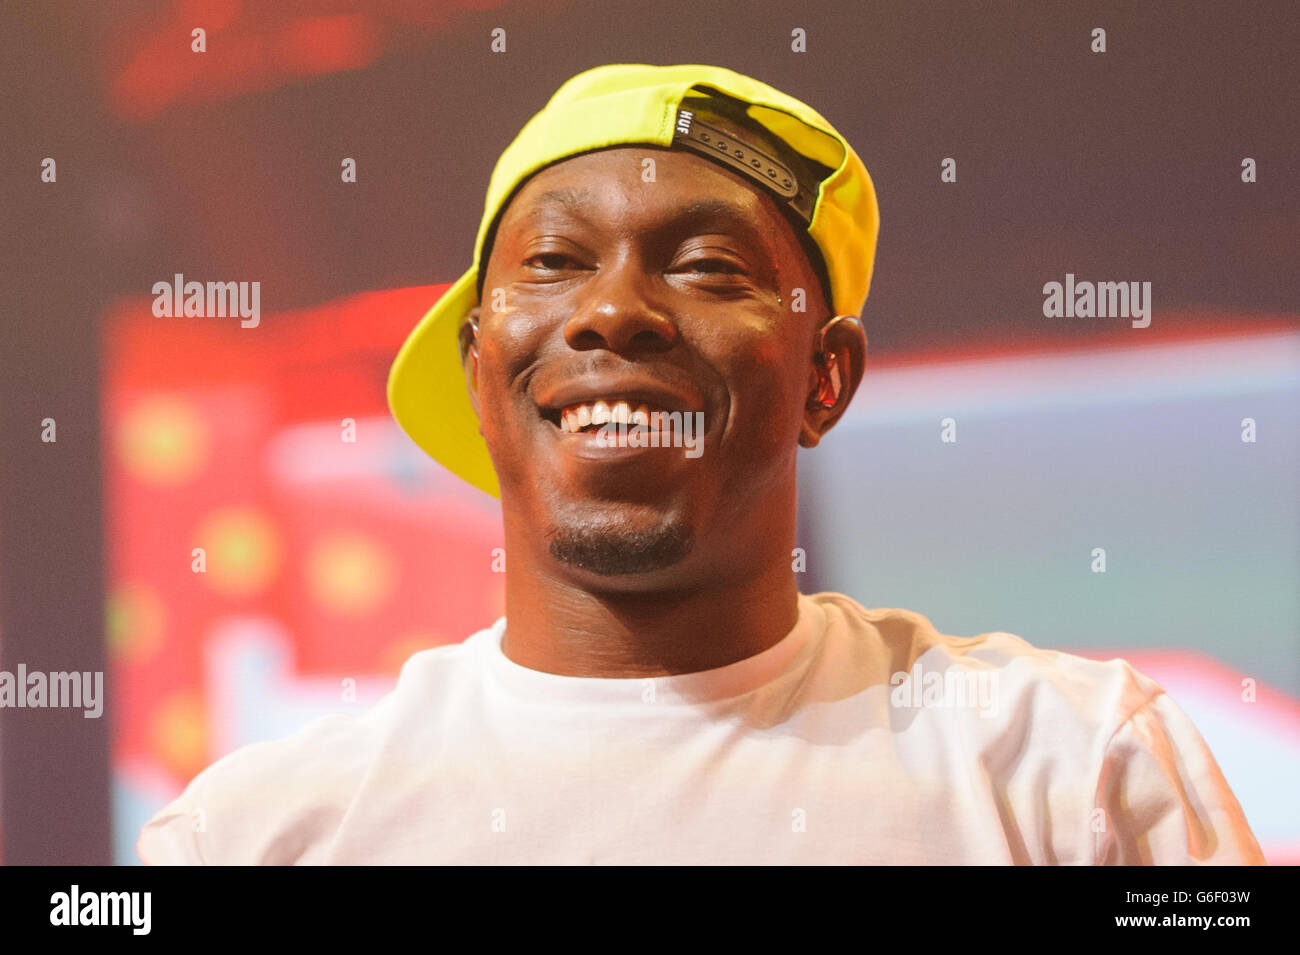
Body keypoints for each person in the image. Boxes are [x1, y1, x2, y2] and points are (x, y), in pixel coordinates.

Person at [138, 63, 1265, 865]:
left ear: (826, 379)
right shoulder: (255, 835)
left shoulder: (1074, 771)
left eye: (708, 265)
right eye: (554, 260)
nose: (615, 309)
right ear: (482, 372)